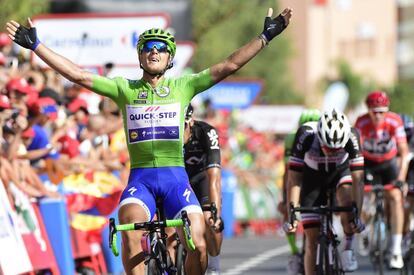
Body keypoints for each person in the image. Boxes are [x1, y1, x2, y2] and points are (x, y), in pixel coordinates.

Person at [6, 7, 293, 275]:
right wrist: (36, 46)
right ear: (140, 56)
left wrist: (265, 37)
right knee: (130, 231)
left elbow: (229, 64)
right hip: (140, 181)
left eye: (161, 48)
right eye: (147, 47)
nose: (154, 51)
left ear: (170, 59)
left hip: (176, 181)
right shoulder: (124, 89)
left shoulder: (184, 86)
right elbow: (78, 74)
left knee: (199, 241)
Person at [285, 109, 365, 275]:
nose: (332, 152)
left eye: (337, 149)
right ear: (319, 137)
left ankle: (348, 247)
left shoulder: (352, 136)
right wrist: (292, 214)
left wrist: (357, 214)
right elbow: (294, 180)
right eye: (328, 148)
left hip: (340, 173)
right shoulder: (305, 135)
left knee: (346, 198)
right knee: (311, 241)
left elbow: (358, 180)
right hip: (312, 178)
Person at [355, 91, 409, 269]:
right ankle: (363, 229)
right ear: (368, 111)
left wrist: (401, 179)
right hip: (368, 162)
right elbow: (355, 154)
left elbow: (404, 152)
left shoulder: (394, 121)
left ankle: (395, 250)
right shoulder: (361, 123)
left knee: (395, 198)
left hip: (388, 163)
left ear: (387, 111)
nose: (378, 115)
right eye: (374, 111)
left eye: (381, 111)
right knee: (361, 195)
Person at [277, 108, 320, 275]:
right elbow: (288, 172)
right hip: (299, 175)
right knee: (290, 210)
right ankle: (295, 252)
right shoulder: (292, 138)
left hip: (318, 174)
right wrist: (285, 199)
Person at [183, 103, 223, 275]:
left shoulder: (207, 132)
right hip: (178, 181)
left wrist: (216, 213)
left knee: (209, 220)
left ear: (190, 121)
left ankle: (214, 265)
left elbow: (214, 178)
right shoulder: (166, 135)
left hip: (201, 179)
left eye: (182, 126)